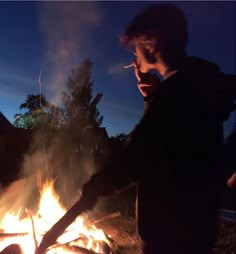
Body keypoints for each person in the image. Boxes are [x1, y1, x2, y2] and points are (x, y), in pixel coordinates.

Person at [37, 3, 236, 254]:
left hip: (171, 231)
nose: (135, 57)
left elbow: (138, 156)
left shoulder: (177, 93)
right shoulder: (199, 84)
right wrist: (152, 95)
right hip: (197, 224)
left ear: (152, 44)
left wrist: (95, 187)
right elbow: (169, 138)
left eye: (137, 48)